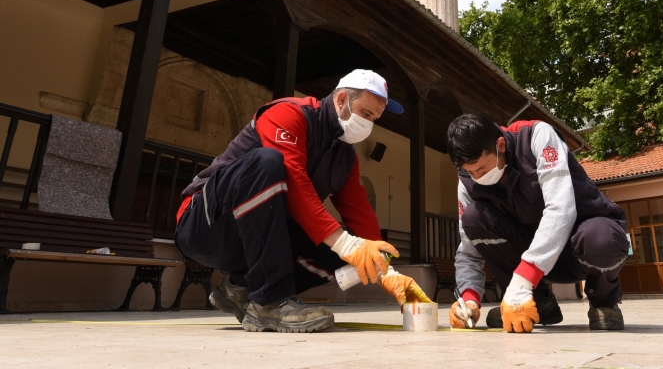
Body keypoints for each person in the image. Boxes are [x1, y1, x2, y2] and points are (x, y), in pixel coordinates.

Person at [175, 69, 430, 333]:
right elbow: (295, 181)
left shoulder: (346, 157)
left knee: (358, 245)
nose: (369, 124)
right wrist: (345, 243)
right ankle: (270, 301)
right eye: (366, 114)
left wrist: (387, 272)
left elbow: (360, 213)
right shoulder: (289, 113)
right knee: (268, 162)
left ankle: (241, 287)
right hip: (203, 225)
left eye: (375, 119)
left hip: (251, 242)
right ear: (341, 99)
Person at [445, 113, 628, 333]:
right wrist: (469, 298)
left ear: (500, 145)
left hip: (578, 248)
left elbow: (561, 209)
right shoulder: (467, 180)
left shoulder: (536, 137)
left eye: (481, 168)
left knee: (602, 238)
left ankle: (604, 303)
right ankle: (536, 303)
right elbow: (468, 248)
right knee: (473, 216)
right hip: (529, 258)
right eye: (470, 171)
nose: (477, 176)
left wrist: (524, 278)